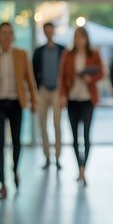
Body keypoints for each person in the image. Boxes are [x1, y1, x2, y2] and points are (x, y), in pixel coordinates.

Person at [0, 22, 37, 200]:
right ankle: (2, 183)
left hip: (16, 103)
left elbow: (29, 80)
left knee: (17, 141)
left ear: (13, 36)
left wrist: (34, 100)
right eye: (3, 33)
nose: (7, 36)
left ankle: (15, 169)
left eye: (10, 33)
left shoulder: (21, 54)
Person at [59, 27, 104, 186]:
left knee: (86, 135)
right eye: (76, 37)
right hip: (72, 100)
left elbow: (101, 73)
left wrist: (90, 79)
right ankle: (79, 167)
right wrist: (62, 96)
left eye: (82, 37)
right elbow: (62, 77)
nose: (79, 40)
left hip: (87, 100)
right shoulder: (68, 55)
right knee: (74, 138)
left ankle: (84, 169)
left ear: (86, 39)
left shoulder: (94, 54)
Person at [32, 22, 65, 171]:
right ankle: (47, 156)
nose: (48, 33)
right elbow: (33, 72)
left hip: (57, 90)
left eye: (50, 30)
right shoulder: (39, 51)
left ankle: (58, 157)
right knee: (42, 124)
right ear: (44, 33)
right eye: (46, 31)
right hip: (43, 90)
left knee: (57, 124)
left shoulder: (62, 50)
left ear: (54, 32)